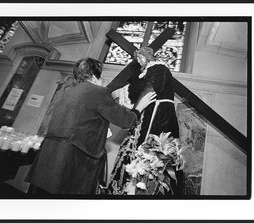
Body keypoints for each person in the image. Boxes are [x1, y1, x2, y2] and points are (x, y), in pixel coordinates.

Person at [25, 57, 156, 195]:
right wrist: (139, 107)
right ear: (94, 77)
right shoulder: (98, 92)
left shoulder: (68, 93)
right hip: (72, 159)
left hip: (48, 156)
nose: (102, 82)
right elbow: (125, 120)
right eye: (101, 78)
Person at [107, 46, 182, 195]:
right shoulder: (147, 72)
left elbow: (149, 88)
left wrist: (123, 91)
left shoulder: (159, 68)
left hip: (158, 116)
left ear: (148, 57)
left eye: (140, 58)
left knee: (150, 155)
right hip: (148, 112)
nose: (139, 62)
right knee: (134, 152)